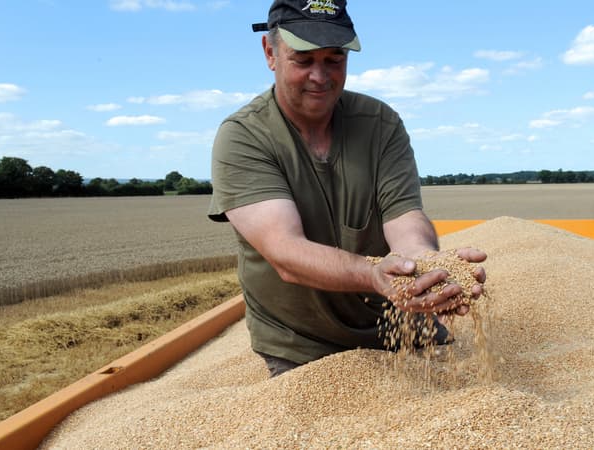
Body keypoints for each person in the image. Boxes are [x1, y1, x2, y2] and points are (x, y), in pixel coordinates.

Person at [208, 0, 487, 377]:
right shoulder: (244, 137)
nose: (320, 76)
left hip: (399, 319)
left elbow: (404, 214)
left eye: (334, 60)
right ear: (270, 53)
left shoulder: (380, 124)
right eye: (303, 60)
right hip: (301, 341)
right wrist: (375, 275)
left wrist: (424, 264)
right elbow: (285, 252)